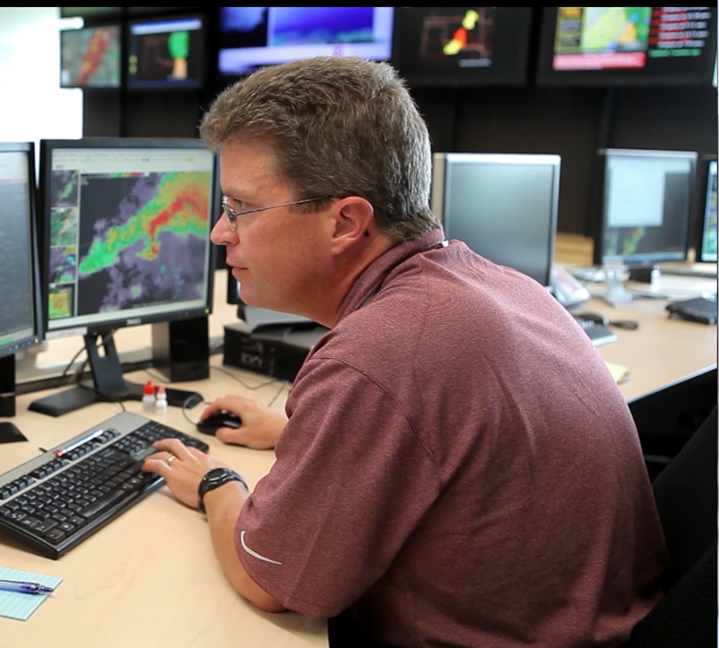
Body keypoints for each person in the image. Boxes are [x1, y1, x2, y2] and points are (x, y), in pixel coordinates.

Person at [140, 56, 668, 647]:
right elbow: (443, 446)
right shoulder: (494, 284)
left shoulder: (376, 358)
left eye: (241, 208)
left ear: (346, 222)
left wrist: (217, 485)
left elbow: (271, 581)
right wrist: (300, 432)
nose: (219, 231)